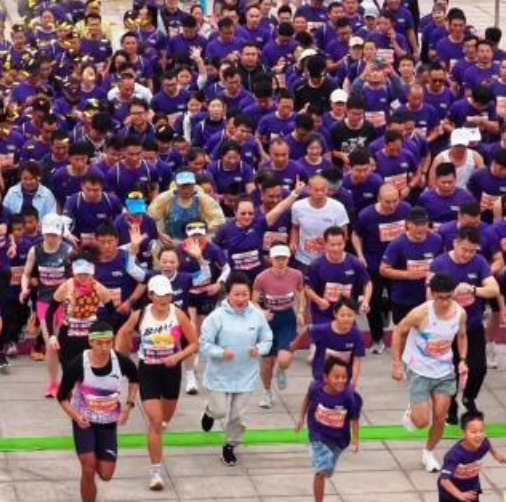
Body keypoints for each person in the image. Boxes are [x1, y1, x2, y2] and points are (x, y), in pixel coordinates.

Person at [115, 275, 198, 491]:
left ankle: (158, 433)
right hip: (148, 371)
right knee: (155, 421)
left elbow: (194, 344)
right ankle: (156, 473)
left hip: (171, 372)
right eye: (159, 295)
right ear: (150, 295)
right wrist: (121, 359)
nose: (163, 299)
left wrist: (177, 357)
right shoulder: (140, 315)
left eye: (167, 295)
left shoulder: (178, 314)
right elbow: (122, 333)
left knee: (164, 420)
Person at [391, 273, 468, 473]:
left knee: (441, 417)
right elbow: (399, 331)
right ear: (432, 294)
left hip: (444, 371)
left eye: (449, 297)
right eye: (441, 297)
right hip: (418, 369)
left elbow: (461, 336)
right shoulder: (420, 313)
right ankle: (413, 411)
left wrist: (463, 360)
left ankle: (428, 452)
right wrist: (397, 364)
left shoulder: (460, 313)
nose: (445, 302)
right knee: (421, 421)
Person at [57, 320, 139, 502]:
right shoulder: (78, 364)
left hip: (108, 424)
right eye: (100, 343)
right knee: (88, 468)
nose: (104, 347)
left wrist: (129, 405)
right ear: (90, 342)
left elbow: (135, 379)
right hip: (84, 422)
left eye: (108, 343)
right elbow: (61, 396)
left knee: (106, 474)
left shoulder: (121, 362)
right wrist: (76, 416)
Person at [200, 272, 273, 466]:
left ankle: (230, 445)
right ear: (227, 295)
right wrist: (220, 352)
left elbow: (267, 339)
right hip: (220, 374)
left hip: (246, 375)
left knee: (239, 416)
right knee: (220, 411)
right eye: (236, 295)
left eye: (245, 294)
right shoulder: (216, 317)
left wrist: (259, 349)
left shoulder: (257, 316)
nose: (241, 299)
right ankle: (210, 412)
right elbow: (204, 345)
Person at [430, 226, 500, 423]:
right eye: (464, 249)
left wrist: (473, 289)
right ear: (455, 243)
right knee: (449, 371)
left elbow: (493, 289)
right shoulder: (439, 263)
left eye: (472, 251)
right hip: (446, 329)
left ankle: (469, 398)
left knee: (478, 368)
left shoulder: (479, 262)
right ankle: (451, 406)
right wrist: (452, 294)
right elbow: (429, 296)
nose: (467, 254)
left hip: (472, 326)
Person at [20, 214, 73, 397]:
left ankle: (70, 382)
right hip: (44, 302)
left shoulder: (68, 251)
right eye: (48, 234)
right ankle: (53, 383)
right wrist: (24, 289)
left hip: (65, 303)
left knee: (65, 344)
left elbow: (75, 277)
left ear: (60, 233)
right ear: (43, 232)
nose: (51, 238)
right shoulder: (35, 251)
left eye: (54, 234)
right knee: (51, 344)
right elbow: (26, 274)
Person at [295, 358, 362, 502]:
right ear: (326, 377)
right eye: (336, 377)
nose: (341, 381)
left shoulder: (348, 396)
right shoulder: (315, 388)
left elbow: (354, 418)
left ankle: (319, 458)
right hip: (317, 434)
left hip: (338, 439)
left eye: (344, 377)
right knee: (321, 471)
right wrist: (301, 418)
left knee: (327, 471)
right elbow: (307, 399)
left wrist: (355, 439)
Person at [253, 242, 305, 408]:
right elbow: (253, 301)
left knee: (283, 360)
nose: (281, 262)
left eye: (284, 258)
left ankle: (281, 370)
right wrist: (261, 312)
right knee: (267, 362)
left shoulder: (296, 274)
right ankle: (267, 392)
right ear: (271, 259)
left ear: (288, 259)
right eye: (277, 258)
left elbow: (300, 293)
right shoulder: (261, 278)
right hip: (269, 320)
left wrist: (300, 311)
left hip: (287, 319)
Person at [438, 411, 506, 502]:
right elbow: (444, 480)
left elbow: (487, 443)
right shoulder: (454, 455)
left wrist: (496, 454)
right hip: (451, 491)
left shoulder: (483, 443)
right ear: (463, 434)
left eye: (481, 431)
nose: (479, 435)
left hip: (472, 486)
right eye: (473, 432)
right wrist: (460, 495)